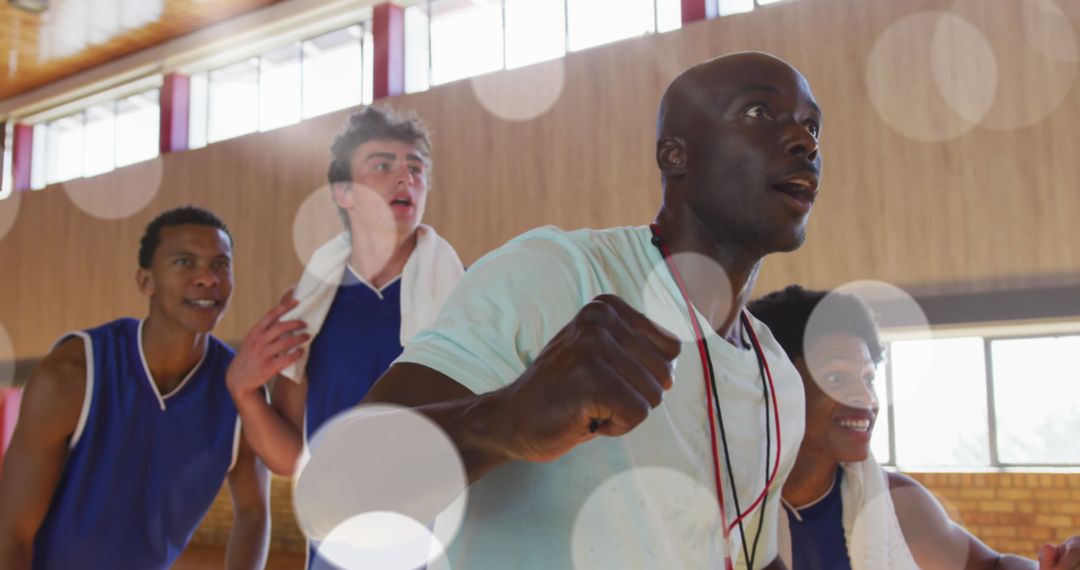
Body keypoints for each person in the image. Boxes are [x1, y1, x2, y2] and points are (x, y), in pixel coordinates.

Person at [308, 51, 823, 569]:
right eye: (759, 113)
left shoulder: (778, 380)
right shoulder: (556, 273)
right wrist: (505, 418)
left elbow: (744, 551)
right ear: (674, 156)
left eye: (811, 125)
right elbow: (334, 494)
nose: (805, 141)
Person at [224, 106, 463, 563]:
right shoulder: (307, 305)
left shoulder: (464, 295)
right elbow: (292, 457)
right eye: (382, 165)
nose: (404, 178)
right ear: (344, 193)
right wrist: (244, 393)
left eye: (415, 168)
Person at [0, 206, 269, 569]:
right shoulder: (70, 374)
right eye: (185, 262)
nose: (207, 277)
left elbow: (253, 512)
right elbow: (11, 532)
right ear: (146, 282)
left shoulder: (240, 389)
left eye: (220, 264)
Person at [748, 284, 1080, 570]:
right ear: (775, 386)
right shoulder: (721, 506)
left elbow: (991, 566)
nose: (866, 398)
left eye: (868, 378)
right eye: (836, 378)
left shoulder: (896, 502)